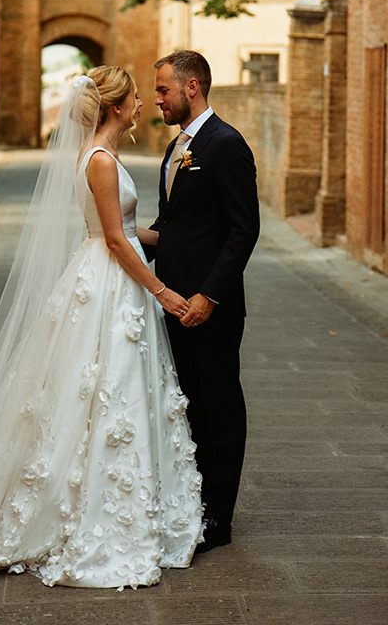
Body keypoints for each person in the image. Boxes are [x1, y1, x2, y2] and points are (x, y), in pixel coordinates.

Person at [0, 67, 202, 588]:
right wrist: (162, 291)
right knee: (100, 389)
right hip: (109, 279)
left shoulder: (102, 155)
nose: (145, 104)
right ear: (116, 107)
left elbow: (124, 228)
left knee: (103, 389)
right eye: (137, 98)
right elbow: (116, 241)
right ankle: (89, 510)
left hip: (107, 276)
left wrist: (177, 235)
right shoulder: (100, 160)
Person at [150, 50, 260, 554]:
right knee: (187, 404)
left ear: (191, 88)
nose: (157, 99)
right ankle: (191, 503)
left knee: (220, 407)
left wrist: (209, 295)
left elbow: (244, 230)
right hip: (173, 303)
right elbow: (172, 227)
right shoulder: (177, 146)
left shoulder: (226, 144)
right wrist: (116, 236)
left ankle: (219, 519)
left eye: (163, 90)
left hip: (210, 308)